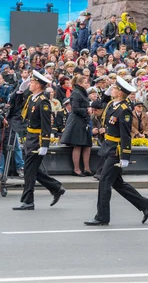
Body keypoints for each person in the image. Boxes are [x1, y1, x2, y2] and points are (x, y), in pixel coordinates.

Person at [84, 77, 148, 225]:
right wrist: (108, 93)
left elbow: (125, 134)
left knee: (104, 181)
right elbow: (101, 103)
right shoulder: (111, 105)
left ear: (120, 93)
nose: (111, 89)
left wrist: (125, 155)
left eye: (114, 88)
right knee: (117, 183)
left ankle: (102, 217)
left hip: (116, 150)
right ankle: (143, 203)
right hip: (107, 146)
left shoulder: (124, 110)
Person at [13, 71, 65, 210]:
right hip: (30, 138)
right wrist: (19, 92)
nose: (29, 84)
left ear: (37, 85)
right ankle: (56, 187)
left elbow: (46, 124)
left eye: (32, 82)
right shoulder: (32, 98)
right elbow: (19, 110)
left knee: (29, 171)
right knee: (32, 170)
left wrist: (45, 144)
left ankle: (28, 201)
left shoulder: (43, 101)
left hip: (37, 140)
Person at [60, 75, 93, 177]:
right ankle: (77, 169)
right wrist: (86, 110)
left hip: (84, 121)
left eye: (87, 82)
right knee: (78, 145)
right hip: (77, 122)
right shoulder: (76, 93)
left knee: (87, 145)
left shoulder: (82, 92)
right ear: (79, 84)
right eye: (84, 83)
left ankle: (87, 168)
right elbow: (75, 108)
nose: (86, 84)